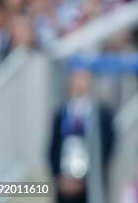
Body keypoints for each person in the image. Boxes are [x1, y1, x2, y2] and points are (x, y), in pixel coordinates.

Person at [48, 68, 115, 203]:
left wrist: (87, 178)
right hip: (65, 184)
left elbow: (108, 145)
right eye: (76, 77)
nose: (80, 82)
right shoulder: (61, 113)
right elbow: (53, 147)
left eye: (83, 78)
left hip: (90, 183)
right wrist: (60, 177)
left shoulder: (101, 113)